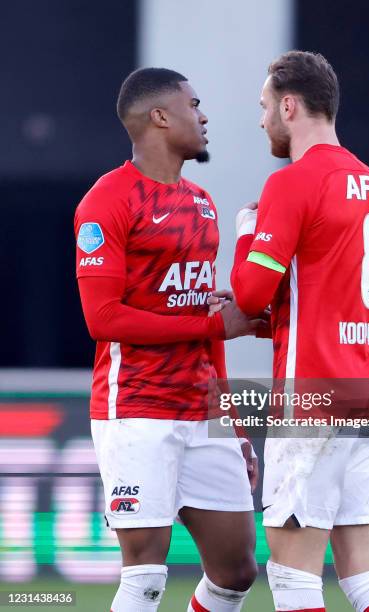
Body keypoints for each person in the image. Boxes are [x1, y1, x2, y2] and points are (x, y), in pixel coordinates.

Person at [212, 51, 369, 612]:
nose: (261, 120)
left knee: (295, 578)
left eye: (264, 106)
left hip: (317, 398)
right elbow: (333, 299)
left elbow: (249, 294)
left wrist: (247, 232)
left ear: (289, 105)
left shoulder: (294, 184)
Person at [74, 67, 261, 612]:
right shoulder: (107, 201)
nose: (203, 116)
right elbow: (103, 318)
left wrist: (231, 420)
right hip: (136, 408)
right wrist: (209, 325)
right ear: (159, 117)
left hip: (202, 412)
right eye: (194, 104)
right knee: (146, 578)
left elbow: (210, 322)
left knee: (236, 573)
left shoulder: (203, 204)